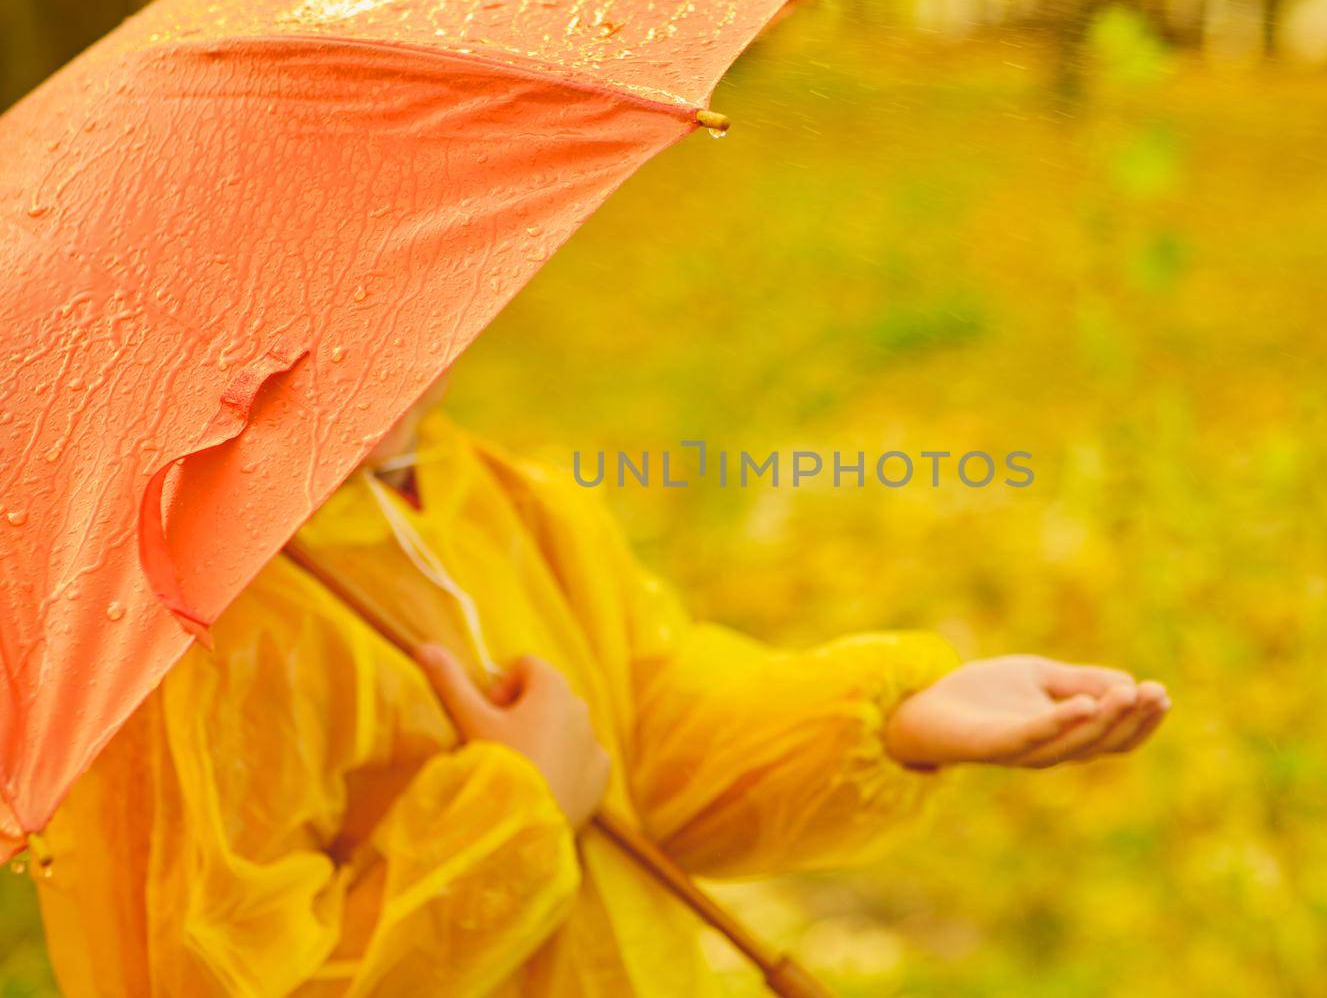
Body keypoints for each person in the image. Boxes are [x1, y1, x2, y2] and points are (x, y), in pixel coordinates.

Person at [32, 382, 1170, 996]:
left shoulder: (504, 499)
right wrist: (515, 805)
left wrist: (908, 717)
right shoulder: (213, 613)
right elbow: (232, 973)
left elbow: (658, 739)